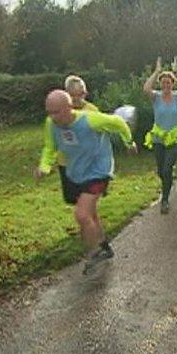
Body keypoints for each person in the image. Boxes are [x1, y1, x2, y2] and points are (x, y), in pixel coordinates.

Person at [37, 90, 136, 274]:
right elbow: (50, 147)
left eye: (56, 112)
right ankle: (104, 246)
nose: (52, 116)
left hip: (99, 171)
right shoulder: (51, 124)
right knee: (91, 215)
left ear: (69, 108)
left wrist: (129, 142)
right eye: (49, 112)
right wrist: (45, 166)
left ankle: (95, 252)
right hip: (76, 172)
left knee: (82, 215)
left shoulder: (90, 120)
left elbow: (119, 122)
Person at [142, 58, 177, 214]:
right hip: (158, 139)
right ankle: (167, 186)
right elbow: (146, 88)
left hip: (174, 139)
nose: (166, 85)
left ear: (173, 83)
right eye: (163, 82)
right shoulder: (156, 97)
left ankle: (164, 199)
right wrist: (157, 71)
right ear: (160, 84)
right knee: (161, 171)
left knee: (167, 168)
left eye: (169, 82)